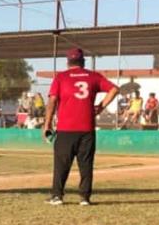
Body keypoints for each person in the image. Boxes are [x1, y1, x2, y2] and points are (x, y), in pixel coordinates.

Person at [42, 48, 120, 206]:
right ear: (83, 61)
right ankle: (84, 198)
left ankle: (57, 196)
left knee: (61, 164)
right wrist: (101, 107)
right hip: (87, 128)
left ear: (68, 62)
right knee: (86, 164)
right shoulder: (93, 76)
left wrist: (47, 124)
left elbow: (52, 101)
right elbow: (114, 89)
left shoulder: (61, 77)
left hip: (65, 128)